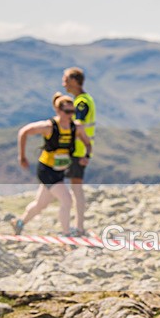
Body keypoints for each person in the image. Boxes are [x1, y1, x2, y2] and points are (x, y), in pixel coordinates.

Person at [13, 94, 92, 236]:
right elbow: (23, 132)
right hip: (47, 170)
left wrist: (86, 157)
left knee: (41, 204)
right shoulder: (48, 127)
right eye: (67, 112)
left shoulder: (76, 128)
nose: (70, 115)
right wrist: (22, 156)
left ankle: (19, 223)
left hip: (60, 170)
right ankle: (66, 234)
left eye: (73, 111)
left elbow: (87, 143)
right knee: (67, 200)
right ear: (58, 111)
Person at [62, 67, 96, 236]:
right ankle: (77, 226)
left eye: (66, 80)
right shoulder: (83, 99)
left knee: (76, 189)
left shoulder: (81, 102)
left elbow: (78, 126)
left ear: (75, 81)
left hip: (78, 152)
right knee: (74, 189)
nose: (64, 84)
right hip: (78, 152)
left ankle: (79, 227)